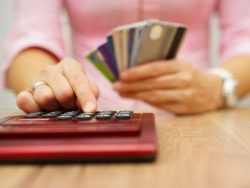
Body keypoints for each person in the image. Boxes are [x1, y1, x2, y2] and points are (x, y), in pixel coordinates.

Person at [2, 0, 250, 115]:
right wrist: (48, 82)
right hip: (90, 119)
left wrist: (217, 88)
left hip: (200, 119)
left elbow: (245, 36)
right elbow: (31, 35)